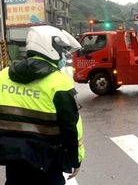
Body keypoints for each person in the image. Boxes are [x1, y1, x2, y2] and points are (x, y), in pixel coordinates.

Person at [0, 25, 85, 185]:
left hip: (12, 157)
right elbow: (70, 127)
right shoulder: (58, 82)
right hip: (48, 161)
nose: (63, 56)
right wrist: (74, 159)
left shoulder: (3, 76)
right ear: (49, 47)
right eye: (61, 50)